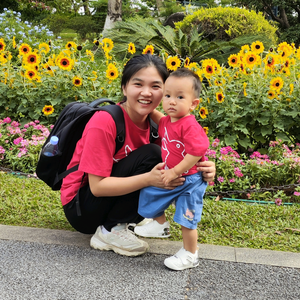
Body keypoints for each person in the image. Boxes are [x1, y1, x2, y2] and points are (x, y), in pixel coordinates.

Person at [60, 54, 216, 257]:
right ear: (124, 88)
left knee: (162, 157)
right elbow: (97, 188)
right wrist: (148, 180)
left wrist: (203, 167)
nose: (146, 93)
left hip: (108, 197)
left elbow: (186, 150)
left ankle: (126, 218)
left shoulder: (160, 123)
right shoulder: (105, 122)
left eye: (155, 86)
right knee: (153, 155)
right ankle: (109, 230)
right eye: (138, 84)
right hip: (82, 207)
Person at [134, 68, 209, 270]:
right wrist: (145, 107)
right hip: (172, 175)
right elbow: (158, 117)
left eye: (179, 97)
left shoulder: (190, 125)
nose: (171, 101)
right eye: (167, 95)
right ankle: (160, 225)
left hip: (190, 181)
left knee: (187, 218)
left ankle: (190, 254)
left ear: (194, 104)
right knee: (149, 192)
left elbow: (196, 152)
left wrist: (175, 171)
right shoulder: (168, 120)